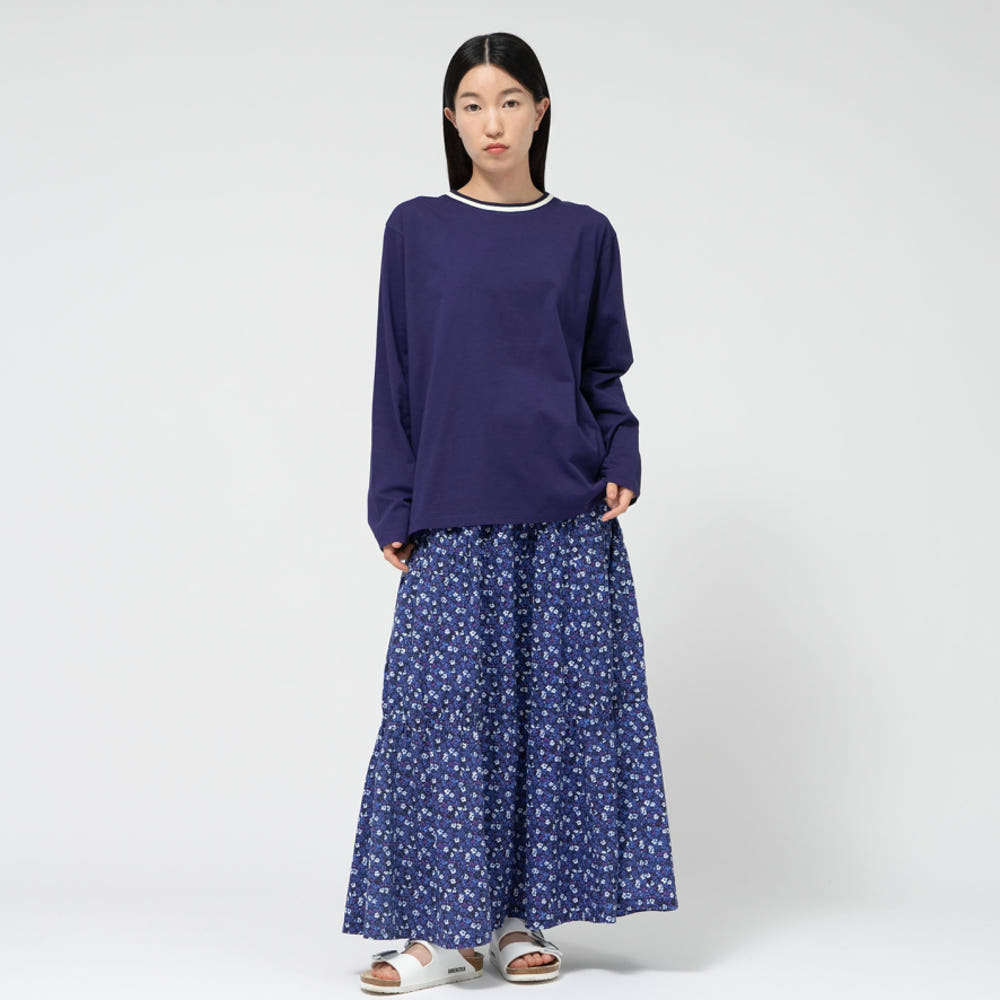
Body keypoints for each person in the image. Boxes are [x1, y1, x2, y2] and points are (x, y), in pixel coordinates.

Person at [343, 32, 678, 995]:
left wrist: (622, 454)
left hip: (564, 515)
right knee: (436, 718)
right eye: (473, 103)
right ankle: (428, 931)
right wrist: (392, 499)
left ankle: (517, 920)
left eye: (510, 100)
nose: (492, 121)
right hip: (455, 509)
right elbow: (396, 371)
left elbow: (601, 371)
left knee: (548, 723)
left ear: (541, 112)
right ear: (450, 119)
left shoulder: (585, 234)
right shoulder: (416, 228)